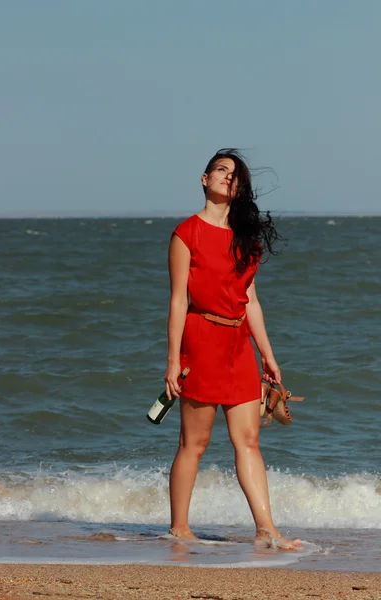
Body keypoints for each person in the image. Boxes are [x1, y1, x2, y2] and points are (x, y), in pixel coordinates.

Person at [164, 148, 301, 551]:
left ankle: (266, 530)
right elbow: (177, 301)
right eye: (221, 170)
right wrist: (173, 360)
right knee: (195, 443)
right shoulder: (186, 233)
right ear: (204, 180)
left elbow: (251, 302)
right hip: (200, 340)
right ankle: (179, 528)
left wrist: (269, 356)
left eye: (235, 174)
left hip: (239, 346)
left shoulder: (247, 241)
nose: (228, 177)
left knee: (249, 441)